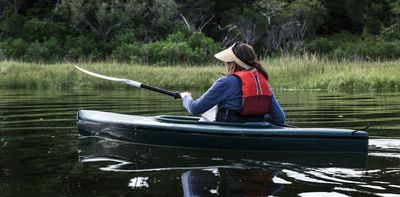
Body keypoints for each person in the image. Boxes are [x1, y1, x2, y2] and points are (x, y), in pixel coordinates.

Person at [180, 42, 285, 125]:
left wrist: (186, 97)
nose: (225, 64)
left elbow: (194, 108)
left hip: (230, 132)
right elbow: (280, 119)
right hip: (257, 133)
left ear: (233, 65)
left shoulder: (225, 82)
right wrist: (259, 120)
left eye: (226, 61)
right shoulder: (262, 84)